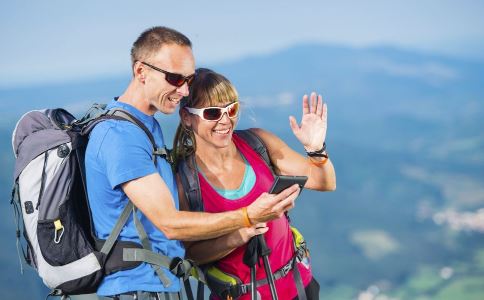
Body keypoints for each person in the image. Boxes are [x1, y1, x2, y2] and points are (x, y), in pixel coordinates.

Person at [85, 27, 300, 299]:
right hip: (136, 289)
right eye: (175, 78)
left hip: (155, 286)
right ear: (141, 72)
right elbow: (170, 223)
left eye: (187, 79)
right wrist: (248, 215)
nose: (184, 90)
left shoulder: (143, 128)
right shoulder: (121, 137)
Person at [173, 68, 336, 300]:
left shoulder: (258, 143)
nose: (225, 120)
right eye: (212, 113)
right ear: (186, 117)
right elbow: (191, 254)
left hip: (300, 288)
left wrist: (316, 148)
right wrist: (242, 232)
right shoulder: (185, 182)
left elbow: (324, 181)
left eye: (231, 109)